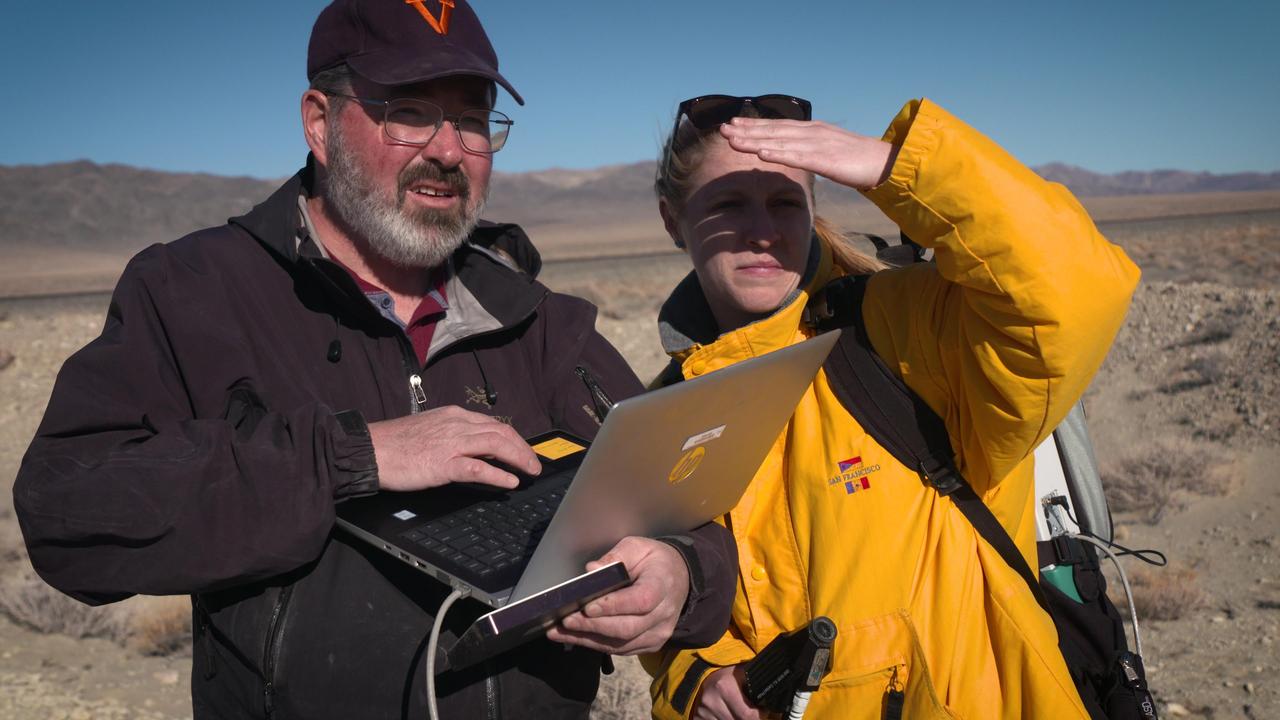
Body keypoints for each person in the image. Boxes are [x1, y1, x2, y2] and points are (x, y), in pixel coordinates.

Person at [12, 2, 736, 718]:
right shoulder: (196, 293)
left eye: (474, 119)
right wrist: (351, 456)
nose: (449, 150)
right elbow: (68, 515)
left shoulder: (535, 319)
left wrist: (681, 576)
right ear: (320, 124)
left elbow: (684, 502)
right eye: (410, 111)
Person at [640, 94, 1141, 718]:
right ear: (671, 219)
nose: (763, 230)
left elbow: (1077, 287)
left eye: (786, 203)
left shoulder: (902, 332)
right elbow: (676, 600)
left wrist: (900, 167)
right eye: (728, 203)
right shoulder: (667, 410)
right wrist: (698, 681)